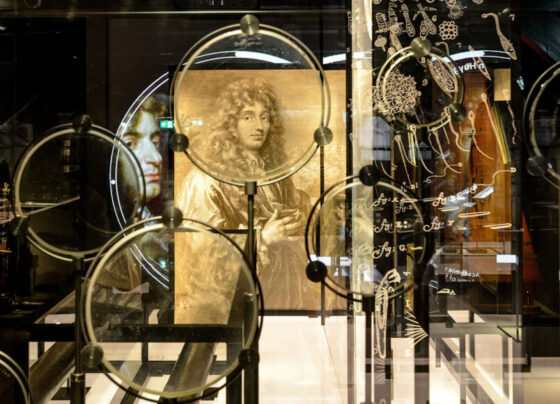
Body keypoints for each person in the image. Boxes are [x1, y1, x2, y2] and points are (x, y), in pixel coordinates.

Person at [176, 78, 315, 313]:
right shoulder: (205, 180)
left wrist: (298, 220)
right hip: (232, 309)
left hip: (282, 298)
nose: (259, 126)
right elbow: (204, 255)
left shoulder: (273, 174)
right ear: (230, 124)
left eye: (265, 117)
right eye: (248, 117)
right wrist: (263, 239)